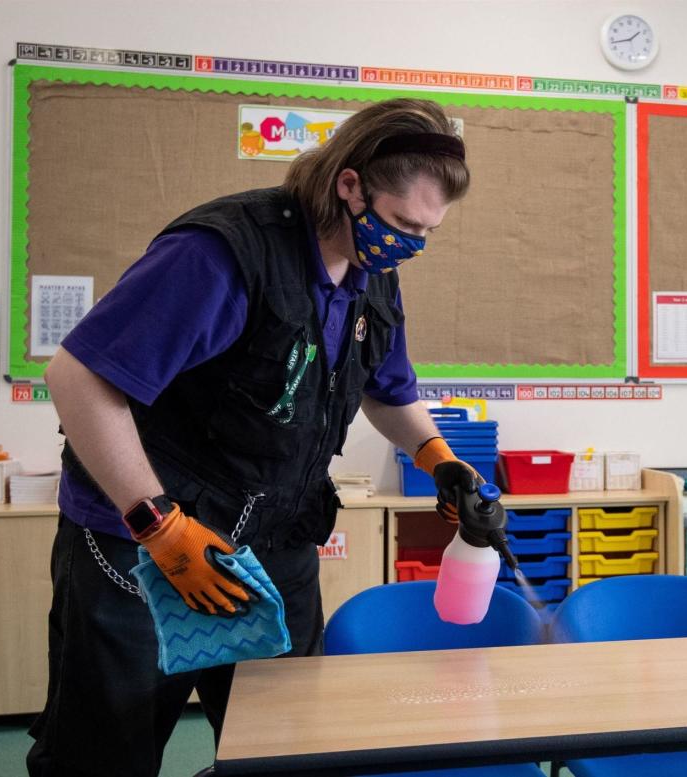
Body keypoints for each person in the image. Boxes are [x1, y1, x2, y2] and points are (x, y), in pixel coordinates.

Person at [27, 98, 483, 777]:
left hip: (270, 543)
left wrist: (440, 458)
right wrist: (157, 524)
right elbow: (78, 378)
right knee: (103, 753)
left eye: (426, 233)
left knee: (288, 749)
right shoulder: (222, 254)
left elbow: (386, 391)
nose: (409, 247)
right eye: (400, 225)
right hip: (143, 546)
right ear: (349, 184)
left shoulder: (370, 272)